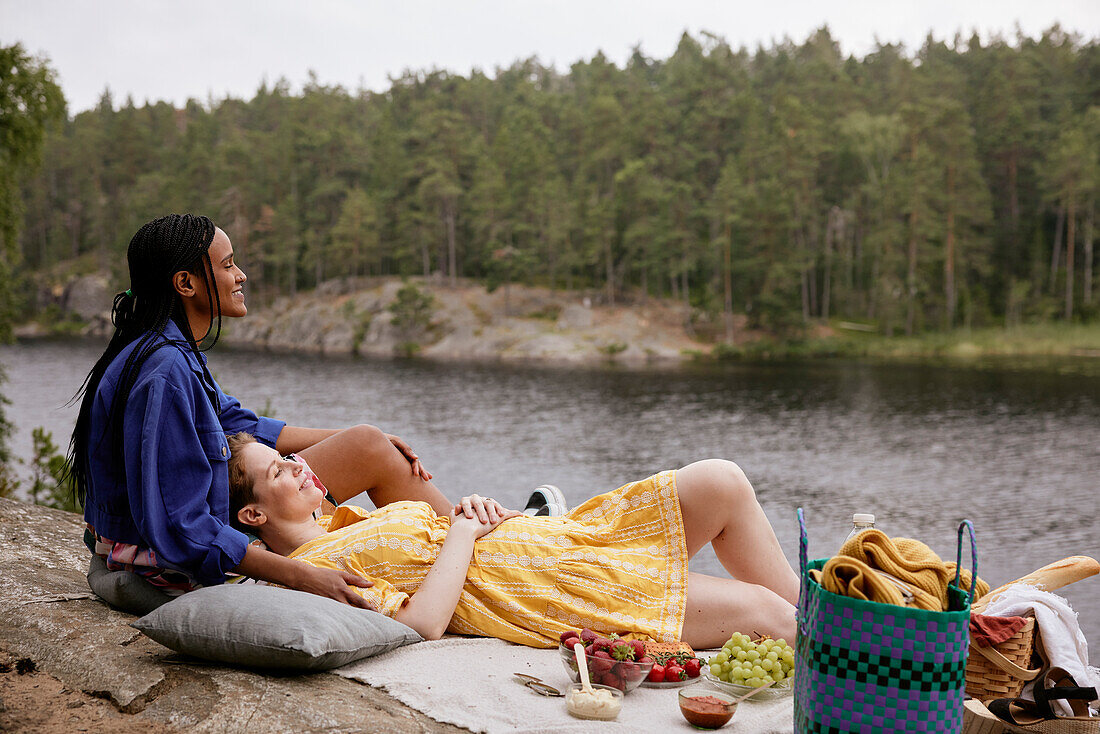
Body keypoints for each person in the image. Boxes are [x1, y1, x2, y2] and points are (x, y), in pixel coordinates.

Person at [67, 213, 469, 608]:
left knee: (368, 443)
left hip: (181, 531)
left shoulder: (166, 348)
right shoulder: (164, 371)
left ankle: (468, 535)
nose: (240, 275)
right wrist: (302, 574)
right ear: (185, 283)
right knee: (368, 463)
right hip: (166, 561)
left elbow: (240, 425)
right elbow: (180, 526)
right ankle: (472, 549)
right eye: (227, 265)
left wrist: (354, 439)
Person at [227, 432, 799, 648]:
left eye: (289, 459)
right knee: (770, 617)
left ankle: (833, 609)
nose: (300, 467)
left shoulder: (340, 524)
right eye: (279, 471)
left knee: (721, 480)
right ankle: (866, 651)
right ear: (252, 513)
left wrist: (480, 515)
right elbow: (421, 623)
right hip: (548, 589)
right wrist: (463, 532)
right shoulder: (313, 570)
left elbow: (445, 533)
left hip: (556, 537)